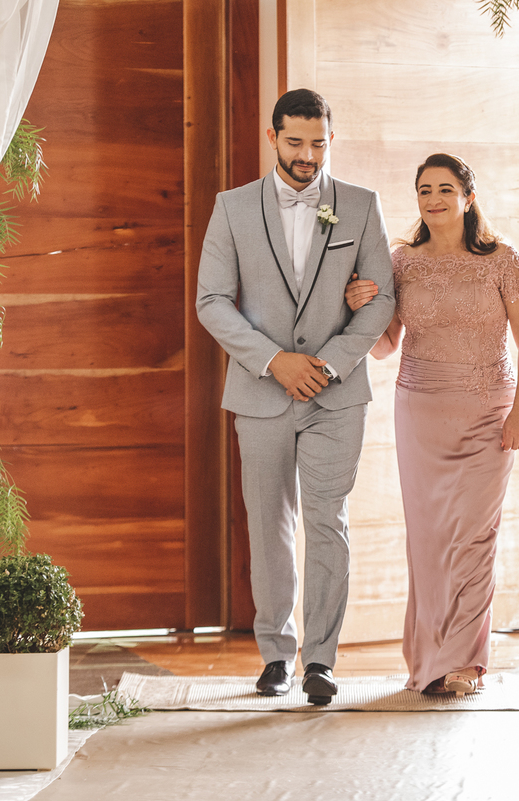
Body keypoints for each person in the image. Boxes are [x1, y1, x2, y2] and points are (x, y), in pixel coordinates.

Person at [195, 89, 395, 705]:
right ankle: (276, 653)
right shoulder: (232, 208)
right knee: (270, 524)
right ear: (273, 137)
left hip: (336, 397)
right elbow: (212, 301)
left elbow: (382, 299)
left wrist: (328, 365)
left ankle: (321, 661)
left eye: (318, 143)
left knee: (326, 523)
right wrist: (274, 360)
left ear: (330, 139)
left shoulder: (361, 206)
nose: (308, 155)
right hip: (261, 392)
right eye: (295, 142)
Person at [344, 153, 519, 694]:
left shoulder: (502, 259)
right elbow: (385, 347)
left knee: (476, 536)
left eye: (445, 189)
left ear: (468, 197)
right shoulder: (401, 261)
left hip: (488, 413)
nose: (433, 199)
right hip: (420, 413)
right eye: (424, 190)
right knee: (429, 540)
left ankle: (466, 662)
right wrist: (358, 304)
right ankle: (430, 662)